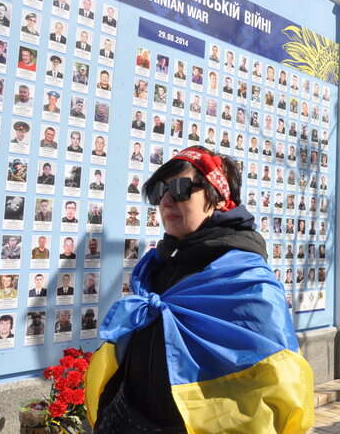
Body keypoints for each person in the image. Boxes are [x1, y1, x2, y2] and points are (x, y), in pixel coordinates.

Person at [88, 146, 314, 432]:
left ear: (219, 198)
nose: (167, 200)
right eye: (159, 192)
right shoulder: (157, 265)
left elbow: (279, 378)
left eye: (181, 189)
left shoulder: (245, 278)